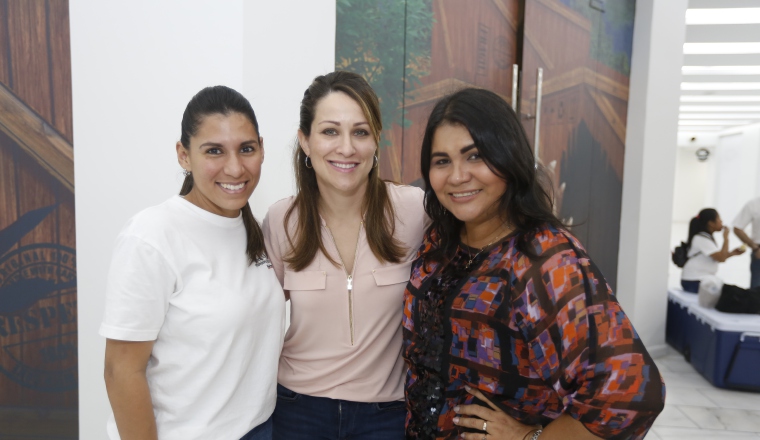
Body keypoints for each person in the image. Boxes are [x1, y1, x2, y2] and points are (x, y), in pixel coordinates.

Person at [402, 88, 665, 440]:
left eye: (475, 155)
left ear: (509, 158)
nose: (457, 176)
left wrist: (530, 438)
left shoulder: (545, 260)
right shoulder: (439, 243)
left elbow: (629, 396)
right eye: (442, 161)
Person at [100, 86, 285, 440]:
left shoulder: (254, 231)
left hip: (260, 430)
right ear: (184, 155)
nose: (235, 167)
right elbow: (120, 371)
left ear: (261, 148)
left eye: (246, 149)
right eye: (214, 151)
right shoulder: (152, 236)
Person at [262, 71, 429, 439]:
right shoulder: (280, 221)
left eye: (360, 132)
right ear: (305, 141)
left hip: (387, 414)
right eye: (330, 131)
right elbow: (255, 322)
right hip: (297, 410)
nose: (347, 148)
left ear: (376, 141)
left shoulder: (414, 210)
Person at [681, 208, 744, 294]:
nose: (721, 221)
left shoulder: (706, 237)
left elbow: (718, 257)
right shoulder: (701, 238)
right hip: (693, 281)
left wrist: (733, 253)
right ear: (711, 223)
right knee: (730, 294)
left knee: (732, 292)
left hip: (698, 280)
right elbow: (721, 258)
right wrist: (726, 238)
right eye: (719, 218)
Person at [733, 196, 760, 288]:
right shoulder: (754, 204)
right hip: (759, 253)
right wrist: (755, 248)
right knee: (756, 293)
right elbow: (737, 228)